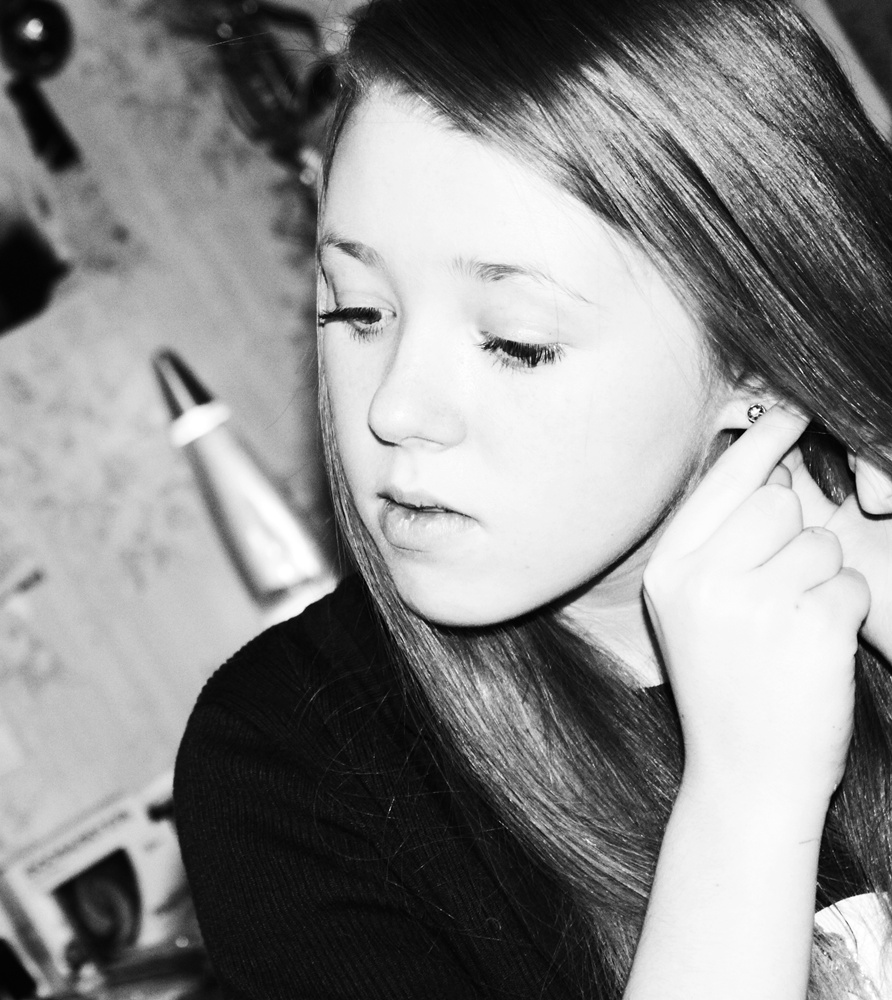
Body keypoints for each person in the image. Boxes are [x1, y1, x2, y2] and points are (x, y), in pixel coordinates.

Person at [172, 1, 892, 997]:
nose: (394, 409)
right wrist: (746, 801)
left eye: (514, 341)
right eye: (359, 311)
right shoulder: (291, 765)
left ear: (757, 360)